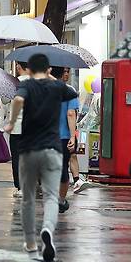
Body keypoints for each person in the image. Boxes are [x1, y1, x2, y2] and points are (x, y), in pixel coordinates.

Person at [4, 54, 78, 262]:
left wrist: (11, 122)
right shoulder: (57, 87)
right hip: (53, 149)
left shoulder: (26, 86)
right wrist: (52, 79)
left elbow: (18, 100)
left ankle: (30, 242)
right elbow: (72, 92)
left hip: (28, 150)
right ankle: (47, 229)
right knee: (52, 197)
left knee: (28, 198)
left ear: (28, 69)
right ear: (47, 69)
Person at [50, 66, 79, 214]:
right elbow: (70, 114)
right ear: (63, 73)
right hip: (62, 137)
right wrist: (73, 136)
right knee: (62, 169)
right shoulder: (70, 92)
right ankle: (60, 200)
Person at [8, 62, 30, 198]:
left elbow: (4, 101)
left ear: (18, 67)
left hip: (16, 128)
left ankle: (20, 187)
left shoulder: (13, 84)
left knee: (17, 159)